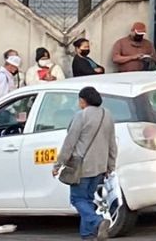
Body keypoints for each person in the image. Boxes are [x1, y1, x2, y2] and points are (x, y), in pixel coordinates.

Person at [53, 86, 116, 241]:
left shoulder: (81, 116)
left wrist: (58, 165)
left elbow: (70, 142)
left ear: (83, 101)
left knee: (77, 199)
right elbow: (112, 143)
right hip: (100, 167)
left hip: (82, 167)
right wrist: (110, 165)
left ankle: (97, 222)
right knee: (87, 201)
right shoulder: (106, 115)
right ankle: (87, 236)